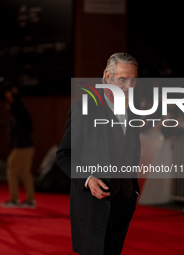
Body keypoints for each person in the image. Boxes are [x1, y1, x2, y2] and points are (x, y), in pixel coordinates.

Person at [56, 53, 140, 255]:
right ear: (108, 76)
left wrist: (133, 191)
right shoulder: (83, 110)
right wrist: (88, 179)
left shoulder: (134, 113)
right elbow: (63, 155)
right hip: (93, 205)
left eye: (133, 80)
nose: (129, 86)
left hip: (124, 203)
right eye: (123, 79)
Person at [0, 82, 36, 209]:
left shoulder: (18, 110)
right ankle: (30, 200)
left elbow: (14, 104)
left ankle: (14, 199)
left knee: (11, 170)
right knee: (25, 173)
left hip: (21, 147)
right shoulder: (23, 111)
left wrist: (11, 95)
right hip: (29, 147)